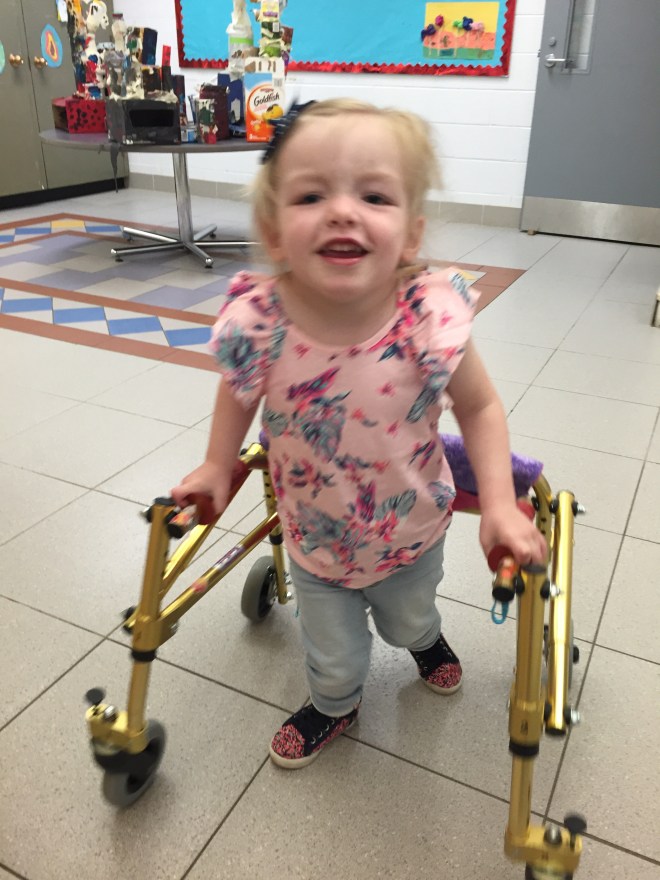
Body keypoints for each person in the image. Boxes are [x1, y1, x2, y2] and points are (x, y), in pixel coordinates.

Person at [171, 99, 547, 769]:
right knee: (333, 652)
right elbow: (238, 392)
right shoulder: (261, 322)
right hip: (314, 541)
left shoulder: (426, 319)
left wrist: (495, 503)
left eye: (373, 196)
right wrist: (213, 464)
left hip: (411, 534)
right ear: (274, 232)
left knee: (409, 618)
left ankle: (425, 640)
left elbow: (481, 408)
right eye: (311, 195)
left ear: (410, 235)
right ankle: (334, 703)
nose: (343, 211)